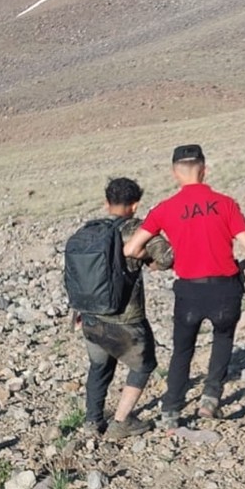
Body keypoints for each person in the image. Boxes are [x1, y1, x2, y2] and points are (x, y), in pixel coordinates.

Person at [123, 144, 245, 427]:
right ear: (204, 170)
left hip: (189, 291)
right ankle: (210, 400)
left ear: (174, 174)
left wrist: (157, 261)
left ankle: (170, 411)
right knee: (223, 340)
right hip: (225, 288)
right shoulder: (226, 204)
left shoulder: (164, 209)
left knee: (182, 350)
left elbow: (131, 248)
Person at [75, 177, 173, 440]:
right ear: (135, 204)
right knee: (144, 365)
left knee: (99, 366)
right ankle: (121, 421)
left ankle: (92, 422)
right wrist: (142, 257)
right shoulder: (137, 229)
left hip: (91, 316)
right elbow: (167, 258)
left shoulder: (88, 232)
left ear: (107, 204)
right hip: (126, 319)